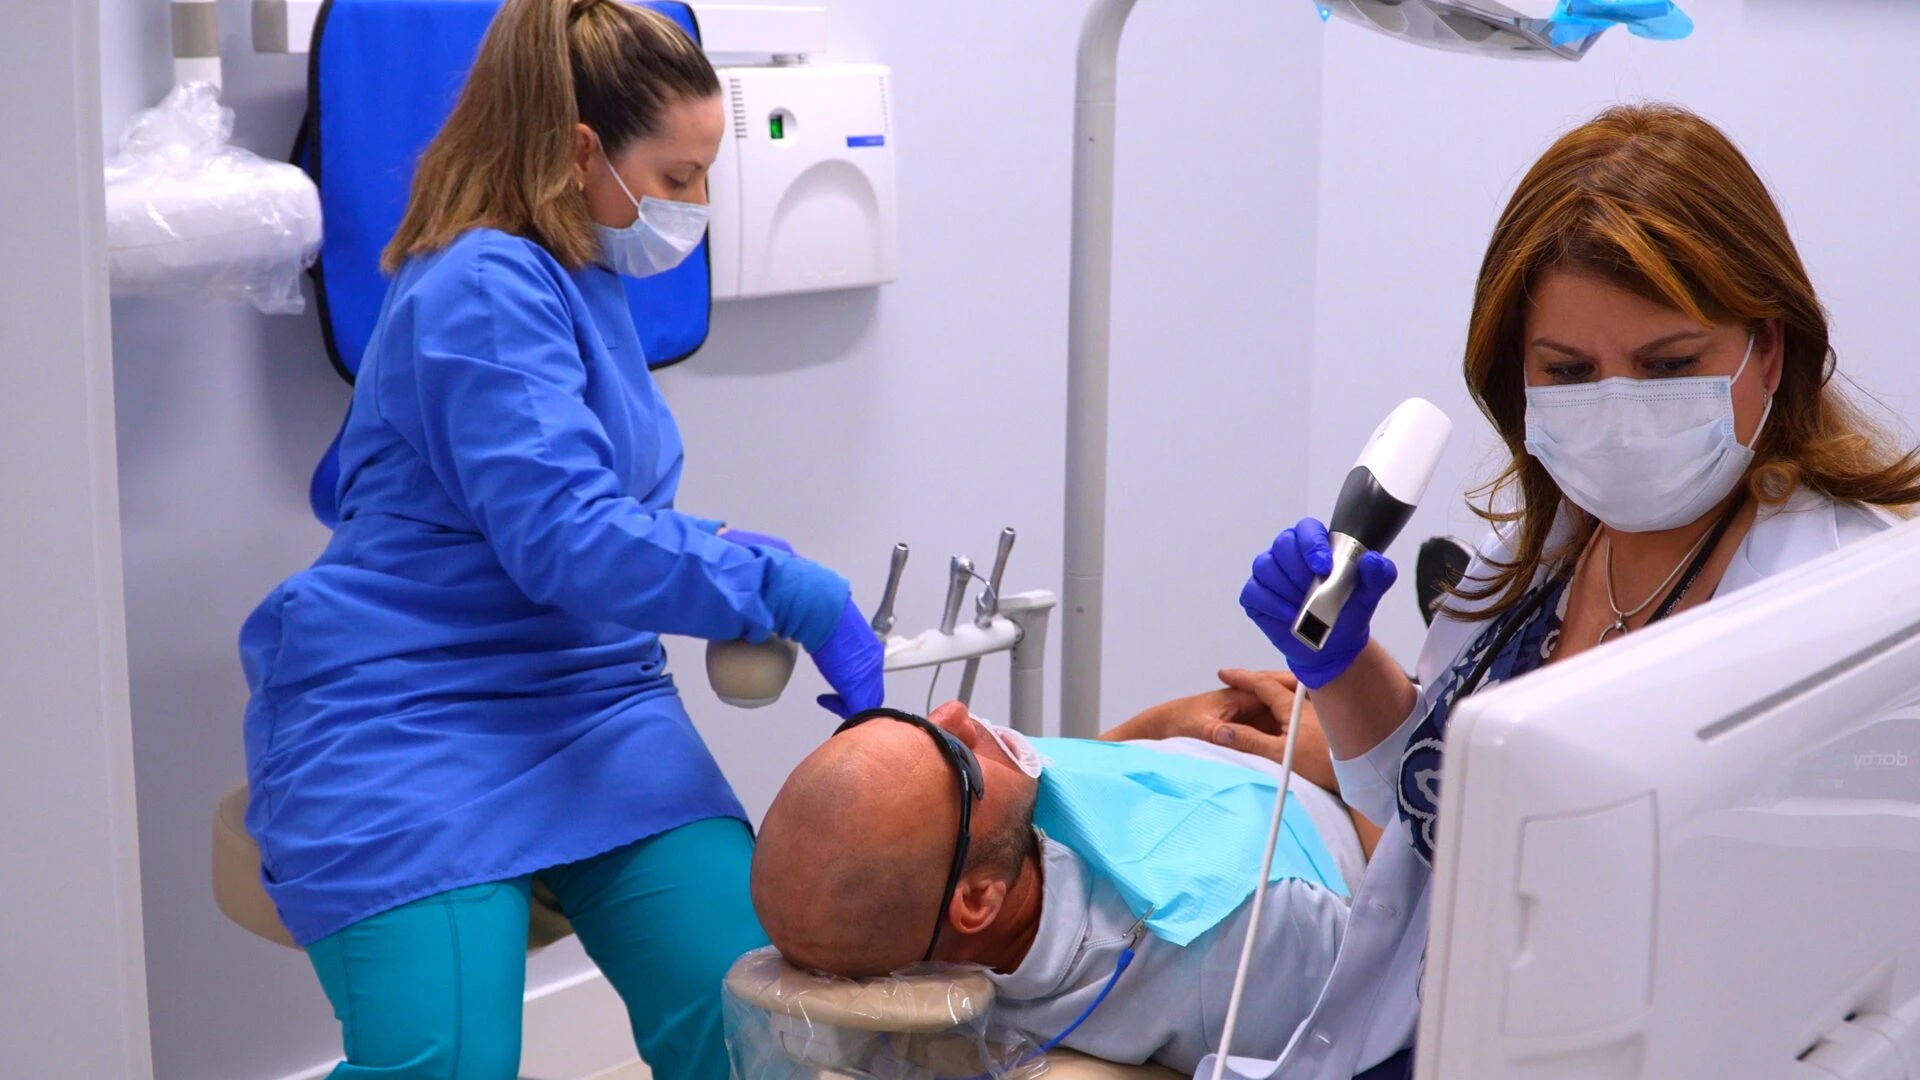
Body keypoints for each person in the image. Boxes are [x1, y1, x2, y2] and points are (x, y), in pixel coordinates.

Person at [237, 1, 884, 1077]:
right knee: (444, 1067)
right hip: (412, 715)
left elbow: (573, 501)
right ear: (583, 151)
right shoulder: (483, 284)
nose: (696, 207)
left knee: (762, 1034)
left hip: (591, 698)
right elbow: (566, 542)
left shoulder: (578, 268)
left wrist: (708, 546)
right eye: (677, 178)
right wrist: (787, 589)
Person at [1233, 103, 1920, 1080]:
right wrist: (1343, 667)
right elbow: (1447, 813)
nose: (1618, 407)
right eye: (1568, 370)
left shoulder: (1836, 611)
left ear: (1768, 350)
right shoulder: (1544, 554)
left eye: (1668, 365)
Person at [750, 680, 1373, 1074]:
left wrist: (1159, 729)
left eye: (923, 726)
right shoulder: (1241, 947)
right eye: (958, 757)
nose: (960, 713)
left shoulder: (986, 835)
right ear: (977, 901)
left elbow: (1069, 795)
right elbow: (1419, 948)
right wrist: (1357, 750)